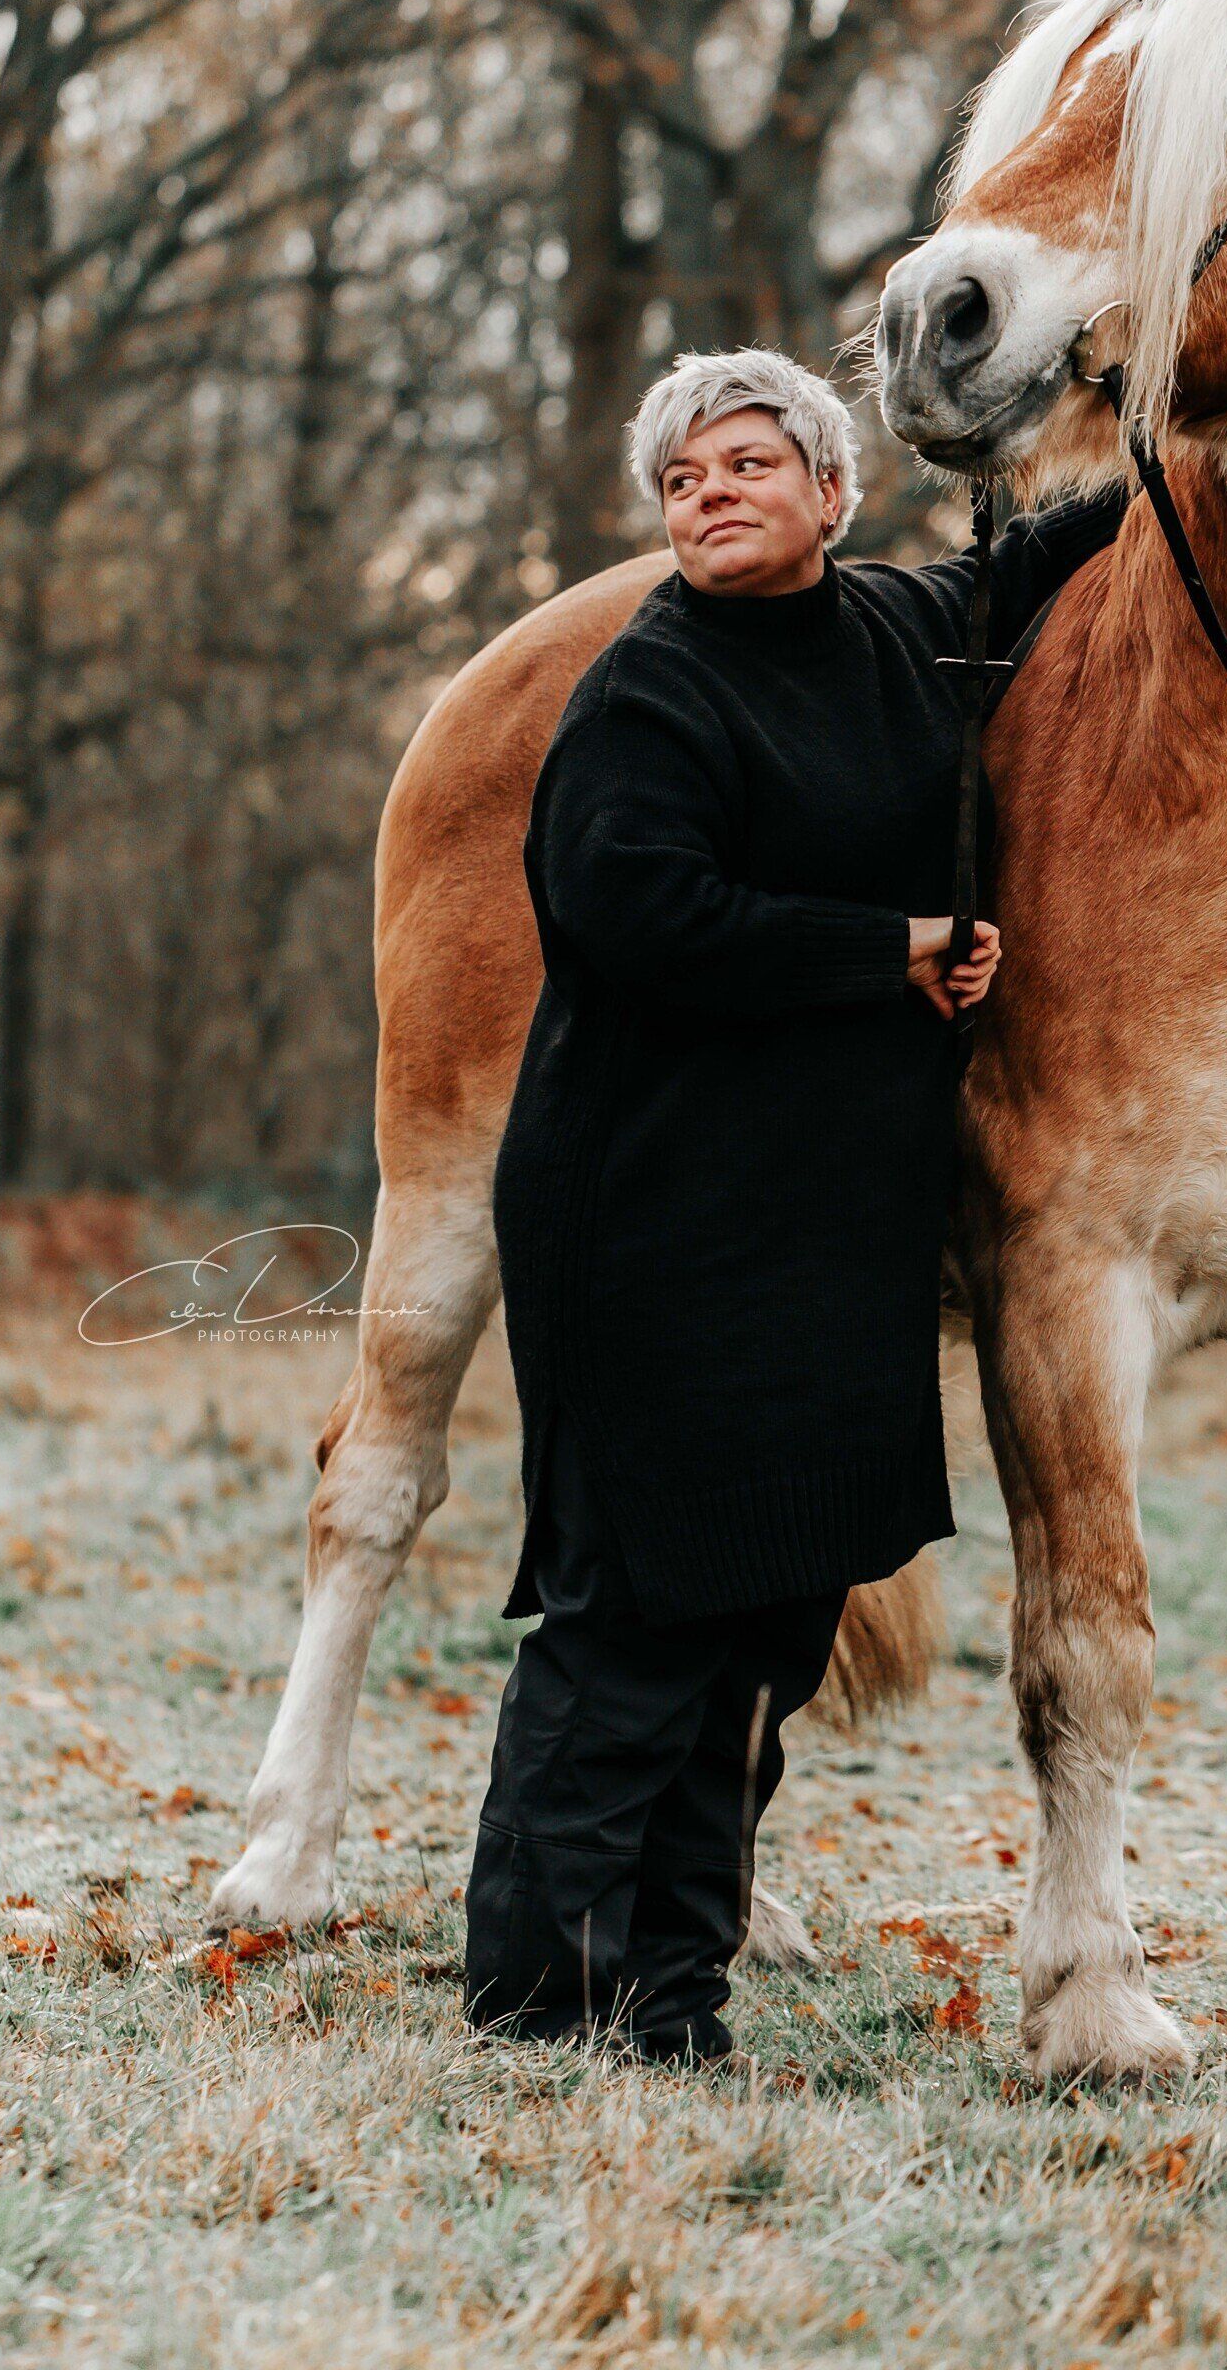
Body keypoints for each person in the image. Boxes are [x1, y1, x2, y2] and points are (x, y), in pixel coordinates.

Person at [465, 348, 1126, 2061]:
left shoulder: (901, 628)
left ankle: (670, 1995)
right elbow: (634, 911)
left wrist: (1179, 434)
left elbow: (1024, 566)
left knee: (768, 1618)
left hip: (826, 1226)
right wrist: (885, 949)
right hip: (648, 1212)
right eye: (683, 479)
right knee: (638, 1614)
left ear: (833, 493)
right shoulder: (649, 692)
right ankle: (542, 2004)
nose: (710, 495)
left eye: (747, 464)